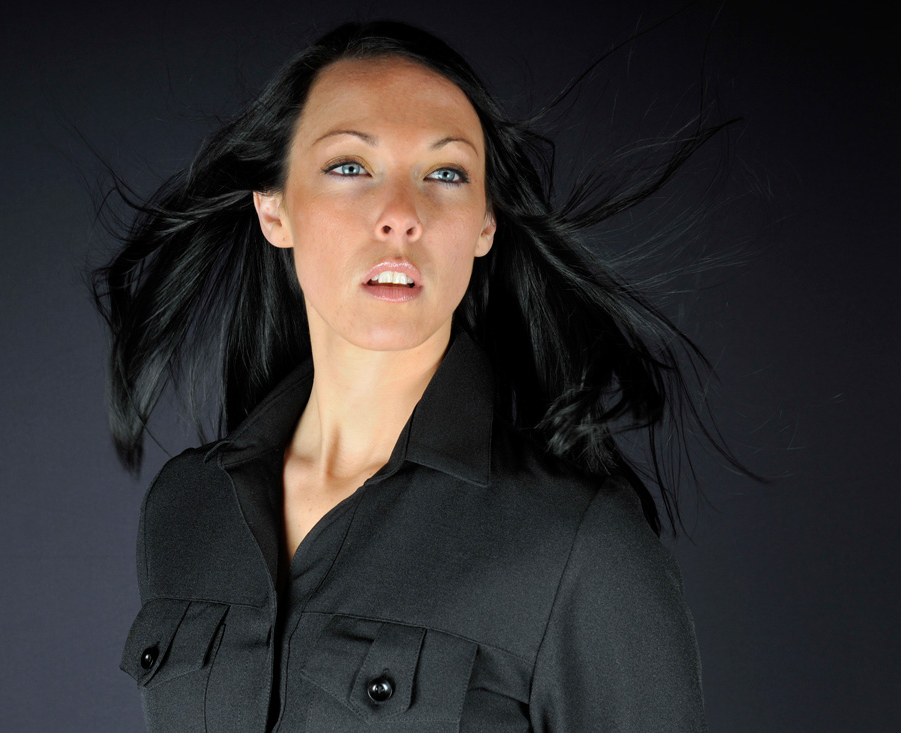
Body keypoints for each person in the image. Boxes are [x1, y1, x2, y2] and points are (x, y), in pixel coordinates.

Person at [95, 19, 733, 732]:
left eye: (445, 174)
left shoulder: (581, 545)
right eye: (349, 167)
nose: (400, 215)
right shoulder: (187, 508)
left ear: (485, 224)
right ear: (273, 208)